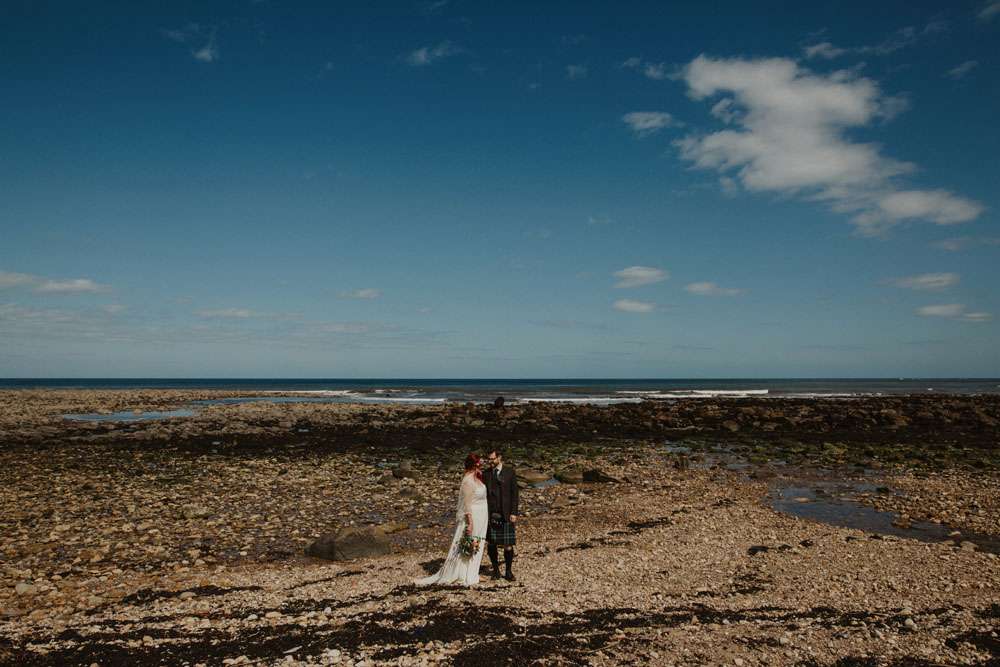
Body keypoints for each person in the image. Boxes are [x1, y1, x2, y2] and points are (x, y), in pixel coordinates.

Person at [415, 453, 488, 587]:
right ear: (474, 465)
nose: (481, 467)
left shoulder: (476, 478)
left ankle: (473, 571)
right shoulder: (468, 481)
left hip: (483, 514)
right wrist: (470, 523)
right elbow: (466, 505)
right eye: (479, 464)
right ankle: (464, 573)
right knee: (470, 542)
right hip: (474, 516)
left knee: (479, 542)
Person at [484, 447, 519, 581]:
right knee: (492, 543)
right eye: (489, 459)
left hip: (506, 514)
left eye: (492, 459)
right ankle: (496, 571)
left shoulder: (509, 472)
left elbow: (515, 494)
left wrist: (514, 512)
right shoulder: (486, 474)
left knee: (508, 544)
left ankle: (508, 572)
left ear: (499, 458)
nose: (490, 462)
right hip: (491, 514)